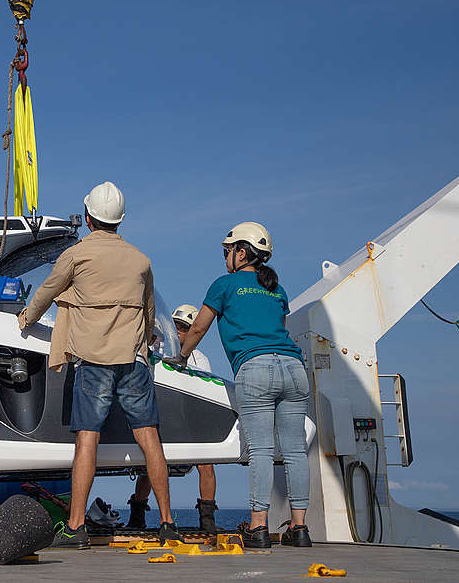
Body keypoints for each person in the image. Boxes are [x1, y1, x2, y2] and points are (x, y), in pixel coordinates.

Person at [18, 182, 182, 549]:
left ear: (89, 217)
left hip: (93, 360)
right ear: (119, 220)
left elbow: (46, 291)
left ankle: (77, 527)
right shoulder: (141, 260)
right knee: (150, 439)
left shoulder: (77, 255)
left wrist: (25, 318)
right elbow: (150, 311)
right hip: (134, 361)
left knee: (87, 441)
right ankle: (168, 522)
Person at [177, 222, 312, 548]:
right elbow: (279, 330)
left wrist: (181, 358)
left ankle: (258, 527)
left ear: (242, 252)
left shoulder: (224, 285)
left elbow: (197, 330)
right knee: (295, 452)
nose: (225, 257)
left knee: (262, 451)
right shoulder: (277, 289)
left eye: (228, 251)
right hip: (294, 369)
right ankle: (300, 529)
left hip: (256, 369)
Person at [127, 304, 218, 532]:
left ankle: (207, 520)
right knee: (151, 461)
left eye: (184, 328)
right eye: (175, 326)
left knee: (206, 462)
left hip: (190, 418)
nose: (178, 332)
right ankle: (137, 515)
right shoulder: (156, 348)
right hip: (164, 414)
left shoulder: (200, 359)